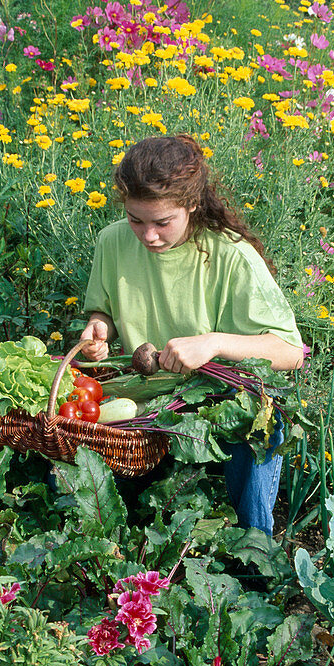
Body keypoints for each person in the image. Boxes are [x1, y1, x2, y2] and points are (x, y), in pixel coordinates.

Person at [79, 134, 304, 536]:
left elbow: (289, 351)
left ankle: (255, 551)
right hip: (147, 397)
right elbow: (105, 310)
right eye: (136, 219)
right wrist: (100, 328)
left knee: (256, 429)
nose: (148, 236)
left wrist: (212, 342)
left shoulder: (230, 254)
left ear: (192, 205)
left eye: (162, 222)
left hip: (217, 397)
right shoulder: (112, 241)